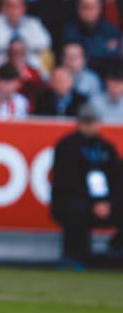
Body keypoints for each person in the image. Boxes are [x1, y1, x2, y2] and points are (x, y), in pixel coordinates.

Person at [51, 104, 122, 265]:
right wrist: (94, 202)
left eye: (93, 122)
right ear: (79, 123)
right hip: (75, 200)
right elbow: (66, 181)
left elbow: (116, 178)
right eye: (86, 122)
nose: (90, 126)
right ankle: (74, 256)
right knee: (76, 209)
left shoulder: (106, 147)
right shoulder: (67, 146)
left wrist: (106, 201)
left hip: (104, 202)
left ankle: (117, 249)